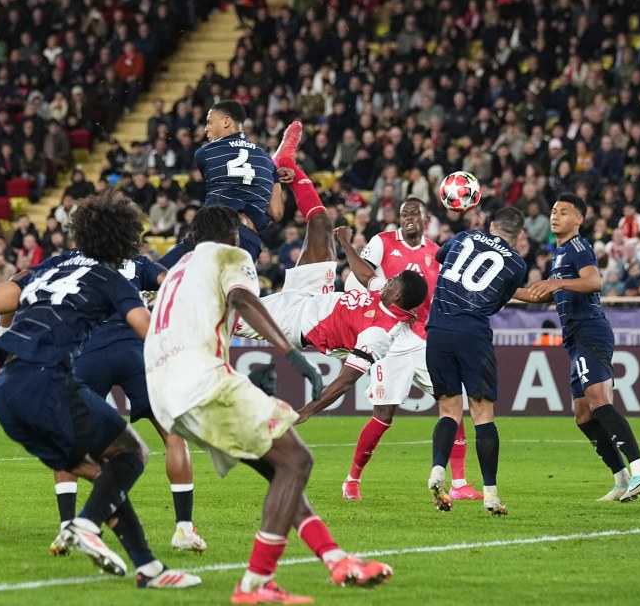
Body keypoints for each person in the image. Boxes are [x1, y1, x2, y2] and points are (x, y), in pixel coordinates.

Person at [145, 205, 392, 603]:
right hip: (200, 381)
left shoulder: (177, 269)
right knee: (297, 461)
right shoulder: (231, 255)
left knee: (282, 468)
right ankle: (255, 584)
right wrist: (289, 353)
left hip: (163, 392)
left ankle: (335, 559)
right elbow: (242, 299)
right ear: (231, 235)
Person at [0, 192, 200, 587]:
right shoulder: (111, 278)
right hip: (46, 381)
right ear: (123, 239)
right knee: (135, 451)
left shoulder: (49, 266)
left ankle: (148, 568)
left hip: (7, 391)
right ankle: (85, 525)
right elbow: (149, 329)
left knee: (101, 472)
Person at [20, 244, 207, 554]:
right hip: (137, 352)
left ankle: (68, 526)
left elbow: (24, 277)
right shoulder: (136, 261)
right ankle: (184, 530)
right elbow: (171, 281)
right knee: (173, 434)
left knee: (67, 438)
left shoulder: (68, 259)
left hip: (88, 351)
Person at [234, 160, 429, 424]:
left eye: (393, 280)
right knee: (321, 224)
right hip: (316, 295)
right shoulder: (387, 295)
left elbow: (345, 381)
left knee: (228, 309)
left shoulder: (378, 334)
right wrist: (346, 243)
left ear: (398, 296)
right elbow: (365, 275)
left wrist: (306, 411)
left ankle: (165, 299)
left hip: (296, 322)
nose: (388, 279)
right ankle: (288, 164)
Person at [339, 198, 482, 503]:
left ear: (425, 218)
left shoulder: (435, 252)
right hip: (388, 340)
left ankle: (458, 482)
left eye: (414, 213)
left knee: (452, 403)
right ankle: (352, 480)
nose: (408, 218)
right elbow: (358, 276)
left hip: (423, 341)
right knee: (383, 415)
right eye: (404, 214)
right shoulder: (382, 242)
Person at [518, 194, 640, 502]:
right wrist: (502, 293)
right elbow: (542, 294)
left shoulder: (578, 247)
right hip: (575, 338)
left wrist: (558, 284)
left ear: (579, 219)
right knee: (583, 415)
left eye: (563, 212)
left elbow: (594, 282)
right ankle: (622, 481)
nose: (555, 216)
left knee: (599, 402)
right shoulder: (559, 253)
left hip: (589, 332)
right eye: (553, 211)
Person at [417, 207, 528, 515]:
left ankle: (438, 471)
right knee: (482, 414)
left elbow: (442, 261)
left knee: (448, 410)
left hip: (437, 331)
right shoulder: (517, 264)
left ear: (492, 225)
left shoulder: (465, 236)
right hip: (473, 334)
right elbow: (498, 301)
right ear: (519, 236)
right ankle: (491, 494)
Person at [158, 102, 294, 267]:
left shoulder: (205, 153)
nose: (206, 128)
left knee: (157, 274)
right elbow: (277, 213)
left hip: (215, 231)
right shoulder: (265, 160)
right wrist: (274, 177)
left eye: (209, 122)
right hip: (249, 241)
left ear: (226, 121)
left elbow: (226, 177)